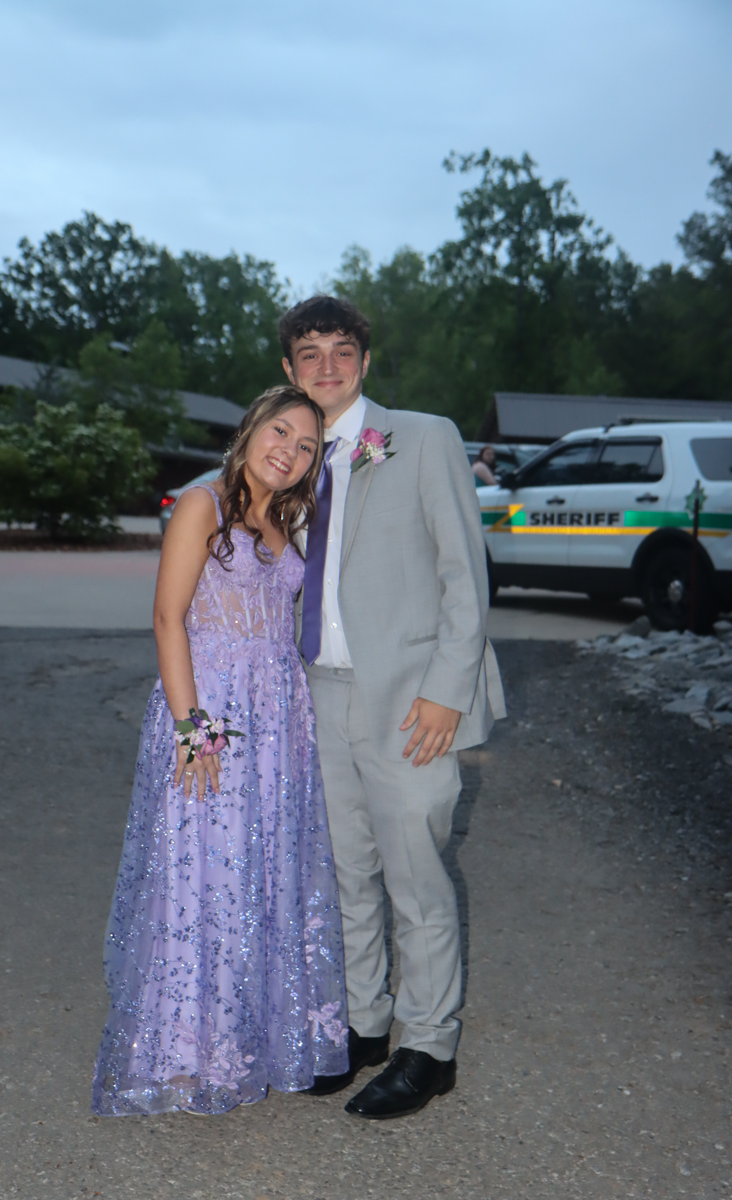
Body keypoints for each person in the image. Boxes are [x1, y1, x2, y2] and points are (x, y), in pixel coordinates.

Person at [92, 385, 349, 1117]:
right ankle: (182, 1052)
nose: (290, 451)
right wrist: (193, 727)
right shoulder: (201, 503)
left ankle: (248, 1038)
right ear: (251, 428)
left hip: (276, 723)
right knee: (201, 873)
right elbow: (167, 617)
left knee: (259, 872)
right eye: (281, 432)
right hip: (212, 712)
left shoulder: (282, 517)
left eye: (306, 446)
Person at [279, 295, 506, 1120]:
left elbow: (464, 575)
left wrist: (448, 690)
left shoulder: (424, 436)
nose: (328, 366)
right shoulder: (290, 454)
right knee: (346, 874)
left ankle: (429, 1048)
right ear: (289, 370)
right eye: (310, 354)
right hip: (320, 693)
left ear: (365, 362)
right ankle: (364, 1023)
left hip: (412, 701)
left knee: (415, 877)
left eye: (343, 350)